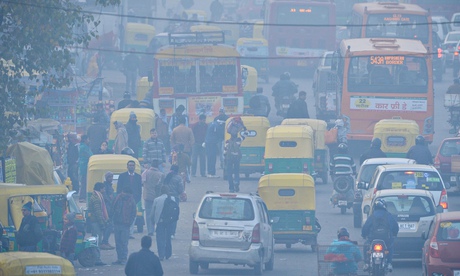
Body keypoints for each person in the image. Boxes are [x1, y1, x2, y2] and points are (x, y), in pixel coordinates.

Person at [361, 198, 399, 272]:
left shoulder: (372, 216)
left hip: (372, 239)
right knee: (390, 247)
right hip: (386, 239)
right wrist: (394, 234)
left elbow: (365, 227)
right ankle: (389, 263)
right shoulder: (388, 216)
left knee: (366, 246)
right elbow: (395, 227)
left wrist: (363, 235)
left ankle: (366, 263)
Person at [151, 185, 179, 261]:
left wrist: (153, 221)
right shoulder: (172, 198)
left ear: (161, 191)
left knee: (160, 238)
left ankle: (161, 254)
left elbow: (152, 213)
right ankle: (168, 253)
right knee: (168, 237)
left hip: (160, 222)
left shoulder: (157, 200)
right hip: (169, 222)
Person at [112, 186, 137, 265]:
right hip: (117, 223)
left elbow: (133, 213)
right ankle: (119, 258)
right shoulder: (117, 198)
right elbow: (112, 209)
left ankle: (123, 258)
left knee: (123, 243)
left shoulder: (131, 200)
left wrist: (130, 222)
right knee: (118, 243)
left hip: (125, 224)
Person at [143, 160, 165, 236]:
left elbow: (142, 181)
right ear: (158, 166)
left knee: (148, 214)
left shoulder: (146, 172)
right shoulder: (161, 174)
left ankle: (150, 230)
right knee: (157, 213)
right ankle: (157, 228)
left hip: (147, 196)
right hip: (157, 196)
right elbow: (161, 186)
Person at [163, 165, 183, 238]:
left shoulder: (166, 176)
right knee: (174, 215)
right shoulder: (178, 178)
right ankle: (172, 233)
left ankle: (164, 231)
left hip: (165, 197)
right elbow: (181, 190)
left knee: (165, 214)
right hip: (175, 198)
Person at [88, 182, 109, 255]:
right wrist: (102, 223)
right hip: (96, 222)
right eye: (103, 189)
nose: (104, 190)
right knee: (97, 241)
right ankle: (96, 257)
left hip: (95, 221)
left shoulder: (96, 196)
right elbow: (98, 212)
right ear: (100, 189)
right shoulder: (97, 198)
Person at [101, 172, 116, 250]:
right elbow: (105, 196)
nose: (111, 178)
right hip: (106, 208)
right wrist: (110, 200)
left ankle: (105, 241)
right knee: (109, 226)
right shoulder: (105, 186)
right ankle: (104, 242)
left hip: (110, 208)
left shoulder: (109, 185)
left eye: (112, 177)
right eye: (109, 177)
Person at [79, 135, 93, 202]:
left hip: (84, 167)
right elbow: (91, 155)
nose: (89, 141)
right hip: (84, 167)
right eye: (88, 139)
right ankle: (82, 197)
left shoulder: (83, 146)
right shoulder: (84, 147)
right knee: (84, 183)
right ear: (85, 140)